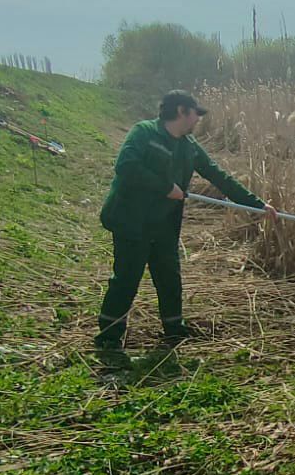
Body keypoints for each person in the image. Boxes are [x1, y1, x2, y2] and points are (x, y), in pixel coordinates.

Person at [95, 90, 277, 358]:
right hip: (131, 220)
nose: (197, 120)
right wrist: (166, 187)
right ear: (181, 111)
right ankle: (109, 337)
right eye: (195, 114)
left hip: (164, 225)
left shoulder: (189, 146)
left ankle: (174, 330)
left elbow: (219, 176)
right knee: (126, 278)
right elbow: (126, 165)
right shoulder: (144, 133)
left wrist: (257, 205)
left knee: (170, 278)